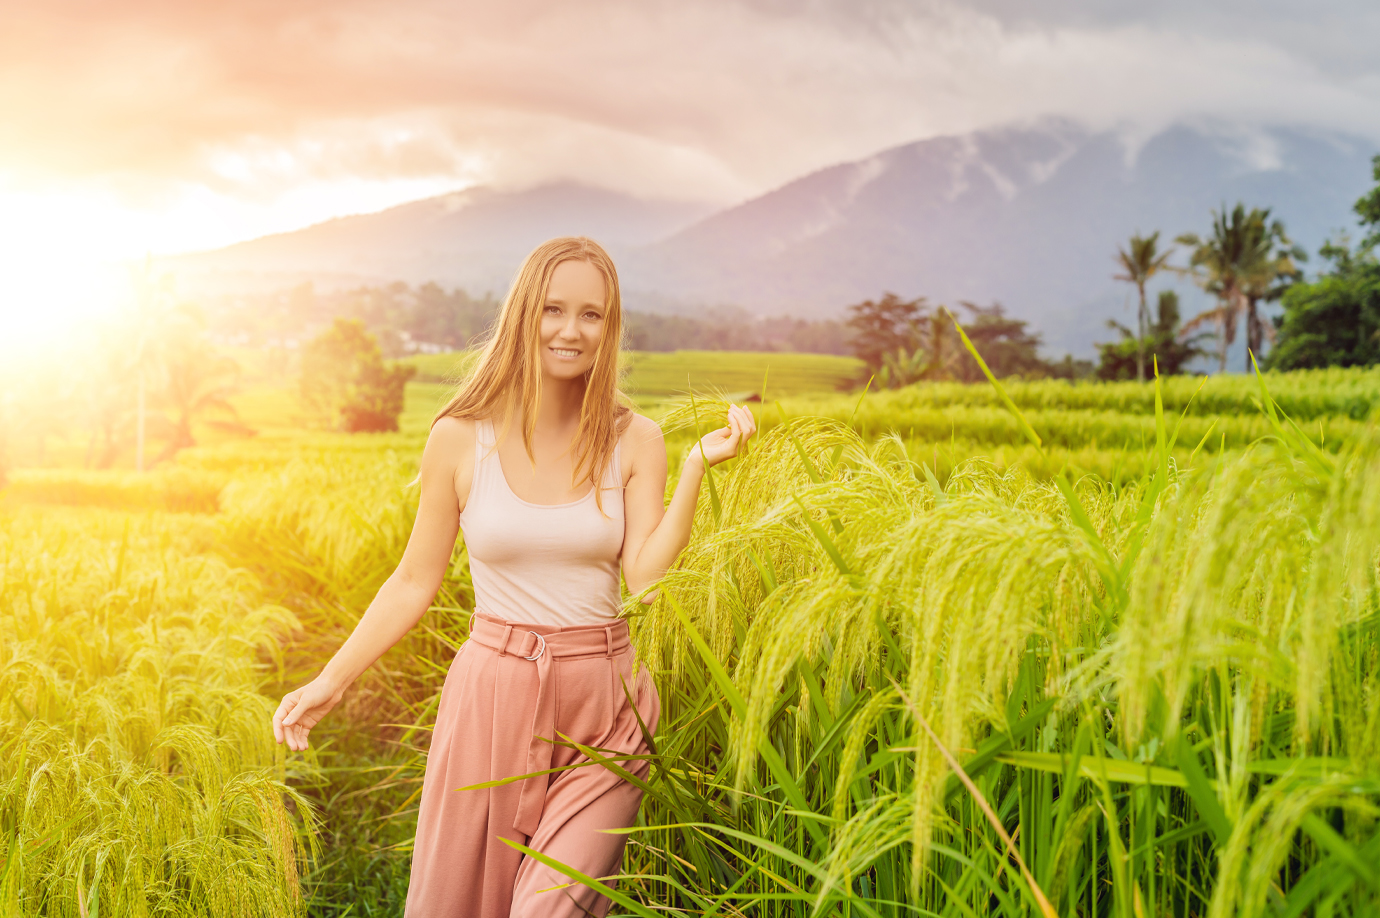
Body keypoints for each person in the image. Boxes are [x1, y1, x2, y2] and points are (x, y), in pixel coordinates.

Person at [271, 236, 757, 917]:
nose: (570, 330)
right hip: (492, 697)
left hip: (609, 705)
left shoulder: (636, 439)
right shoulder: (458, 438)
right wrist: (332, 680)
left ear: (610, 327)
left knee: (548, 909)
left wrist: (697, 467)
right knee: (458, 904)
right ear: (525, 313)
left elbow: (644, 577)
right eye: (554, 309)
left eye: (591, 314)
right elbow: (413, 580)